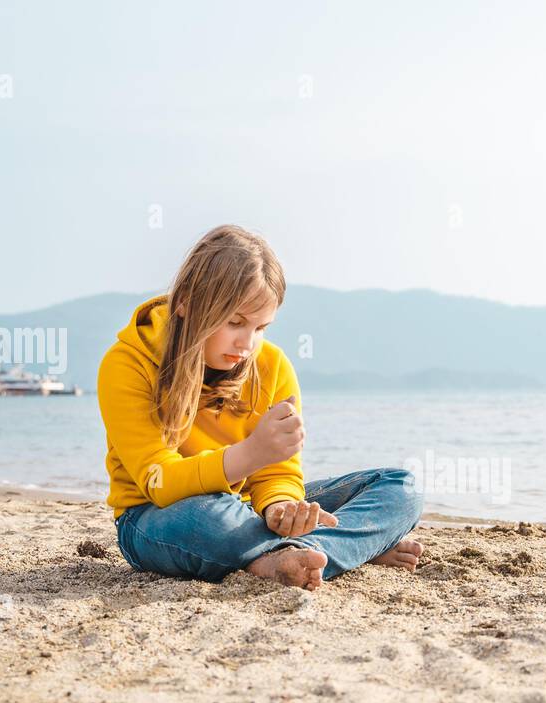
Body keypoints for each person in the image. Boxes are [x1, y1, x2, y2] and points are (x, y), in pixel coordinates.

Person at [97, 225, 424, 591]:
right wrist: (249, 455)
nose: (246, 343)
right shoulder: (126, 363)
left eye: (260, 327)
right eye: (235, 322)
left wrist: (281, 508)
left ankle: (293, 554)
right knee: (209, 518)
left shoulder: (272, 365)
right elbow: (158, 482)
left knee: (401, 487)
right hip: (155, 519)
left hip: (248, 509)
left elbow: (277, 473)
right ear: (187, 302)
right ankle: (346, 548)